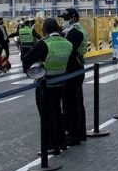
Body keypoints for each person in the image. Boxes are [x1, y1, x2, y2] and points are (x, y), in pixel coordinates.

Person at [22, 18, 72, 155]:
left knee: (47, 115)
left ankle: (51, 146)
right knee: (58, 112)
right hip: (61, 83)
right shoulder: (67, 43)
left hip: (46, 83)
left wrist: (34, 70)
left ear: (44, 30)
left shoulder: (44, 43)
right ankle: (62, 142)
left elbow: (27, 59)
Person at [60, 8, 88, 146]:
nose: (64, 21)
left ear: (73, 18)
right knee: (75, 101)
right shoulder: (72, 30)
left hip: (73, 69)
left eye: (66, 18)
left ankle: (74, 135)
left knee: (71, 103)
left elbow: (68, 51)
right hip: (75, 69)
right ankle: (78, 133)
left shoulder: (75, 32)